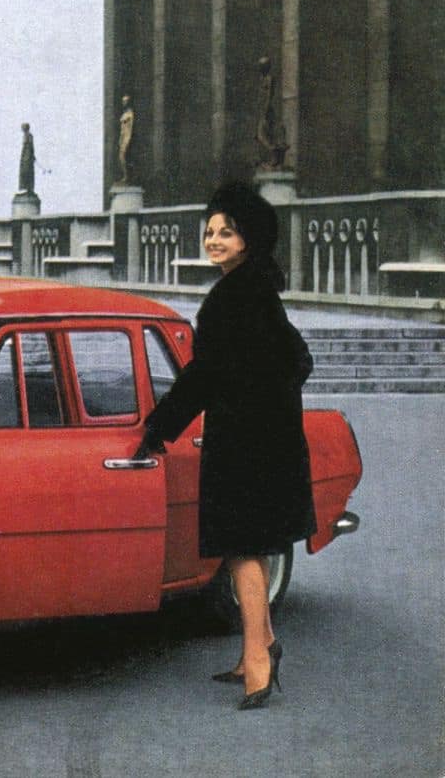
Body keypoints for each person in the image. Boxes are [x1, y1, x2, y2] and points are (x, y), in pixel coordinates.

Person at [135, 181, 315, 712]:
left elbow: (203, 379)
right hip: (267, 437)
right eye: (210, 231)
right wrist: (269, 400)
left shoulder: (230, 300)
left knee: (243, 551)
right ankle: (256, 648)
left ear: (249, 238)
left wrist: (159, 425)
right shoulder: (259, 291)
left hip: (243, 442)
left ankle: (260, 663)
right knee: (250, 547)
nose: (214, 240)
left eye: (226, 232)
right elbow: (299, 361)